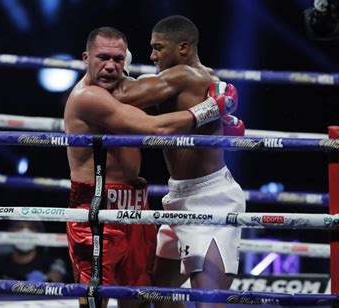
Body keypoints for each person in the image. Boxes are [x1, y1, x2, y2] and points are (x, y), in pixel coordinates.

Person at [64, 26, 236, 308]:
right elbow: (156, 128)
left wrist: (217, 122)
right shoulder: (89, 97)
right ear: (86, 58)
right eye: (102, 57)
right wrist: (211, 109)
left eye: (117, 59)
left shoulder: (123, 89)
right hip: (97, 204)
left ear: (126, 60)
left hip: (135, 203)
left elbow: (151, 93)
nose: (110, 66)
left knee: (141, 298)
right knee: (95, 298)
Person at [112, 15, 246, 308]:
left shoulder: (185, 75)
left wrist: (114, 65)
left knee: (207, 303)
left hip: (211, 201)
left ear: (183, 48)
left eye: (158, 47)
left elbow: (122, 94)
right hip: (179, 197)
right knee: (158, 295)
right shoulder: (204, 76)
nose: (153, 55)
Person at [0, 221, 67, 282]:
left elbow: (59, 280)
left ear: (39, 233)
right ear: (10, 231)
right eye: (19, 227)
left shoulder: (51, 263)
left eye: (32, 228)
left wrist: (49, 279)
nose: (25, 232)